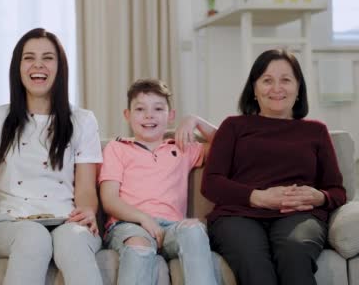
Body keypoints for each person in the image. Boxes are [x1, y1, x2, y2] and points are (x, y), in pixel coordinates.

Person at [0, 28, 103, 285]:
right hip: (9, 222)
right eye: (29, 57)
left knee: (72, 239)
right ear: (18, 67)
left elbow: (86, 190)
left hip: (66, 219)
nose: (38, 64)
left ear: (60, 68)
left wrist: (87, 211)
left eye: (48, 58)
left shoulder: (83, 121)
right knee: (33, 236)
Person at [202, 49, 347, 285]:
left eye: (286, 80)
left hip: (300, 214)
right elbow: (212, 183)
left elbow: (337, 191)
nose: (276, 88)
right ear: (255, 89)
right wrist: (257, 197)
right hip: (238, 215)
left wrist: (320, 197)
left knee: (294, 253)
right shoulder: (233, 127)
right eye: (267, 80)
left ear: (298, 88)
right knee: (253, 263)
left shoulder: (316, 131)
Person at [99, 79, 219, 285]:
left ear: (171, 116)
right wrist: (143, 219)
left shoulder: (182, 148)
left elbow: (227, 143)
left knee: (194, 231)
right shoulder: (117, 149)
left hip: (171, 228)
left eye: (158, 108)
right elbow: (109, 199)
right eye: (140, 109)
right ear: (127, 115)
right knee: (139, 245)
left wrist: (195, 120)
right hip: (130, 225)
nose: (149, 115)